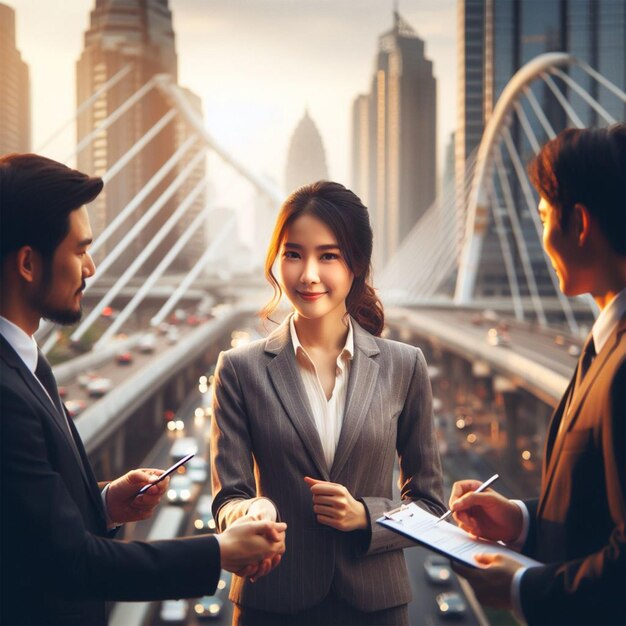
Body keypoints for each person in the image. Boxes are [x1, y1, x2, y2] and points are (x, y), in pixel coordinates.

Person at [0, 153, 287, 626]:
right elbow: (72, 563)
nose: (91, 268)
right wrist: (219, 551)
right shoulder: (6, 393)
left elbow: (25, 521)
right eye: (79, 250)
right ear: (29, 263)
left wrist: (106, 500)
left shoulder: (26, 361)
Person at [210, 180, 445, 625]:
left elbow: (431, 506)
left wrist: (366, 516)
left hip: (376, 607)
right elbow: (228, 498)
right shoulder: (239, 370)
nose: (308, 274)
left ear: (356, 264)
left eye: (329, 256)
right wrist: (251, 511)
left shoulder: (405, 366)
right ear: (276, 262)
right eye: (294, 254)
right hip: (272, 603)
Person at [448, 124, 625, 626]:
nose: (542, 236)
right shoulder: (603, 345)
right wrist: (521, 522)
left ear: (580, 223)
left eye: (545, 217)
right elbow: (596, 518)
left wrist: (524, 585)